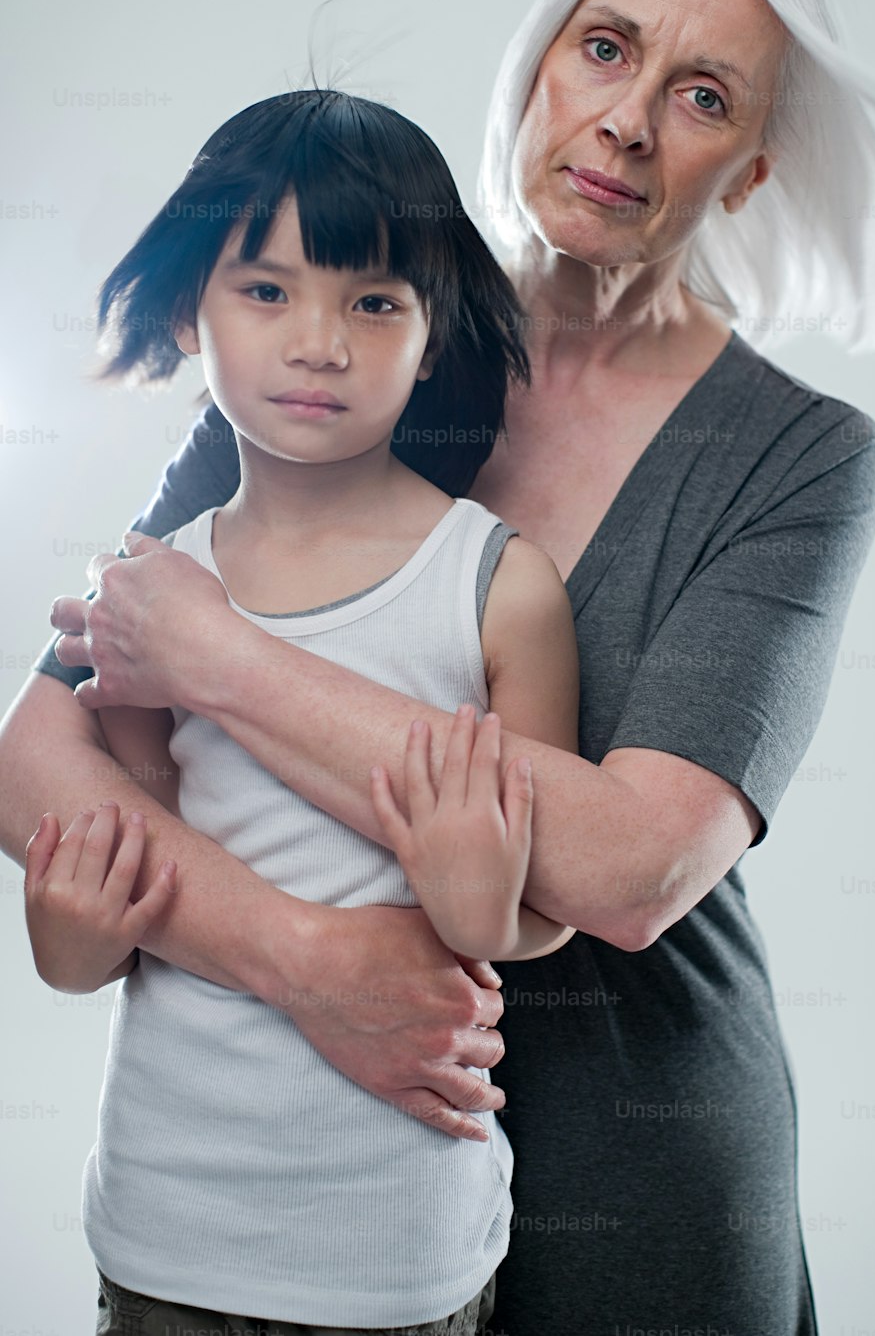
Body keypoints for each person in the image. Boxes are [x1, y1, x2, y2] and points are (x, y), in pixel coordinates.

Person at [1, 0, 875, 1334]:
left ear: (745, 172)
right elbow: (43, 750)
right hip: (308, 1190)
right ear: (538, 62)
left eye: (702, 97)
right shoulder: (347, 333)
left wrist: (224, 663)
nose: (624, 122)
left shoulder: (804, 457)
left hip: (643, 1163)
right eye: (604, 51)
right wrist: (306, 963)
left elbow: (626, 869)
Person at [18, 89, 582, 1332]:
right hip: (167, 1235)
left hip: (402, 1248)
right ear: (188, 308)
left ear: (432, 336)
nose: (318, 340)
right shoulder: (151, 591)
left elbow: (528, 925)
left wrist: (471, 884)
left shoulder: (499, 589)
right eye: (265, 290)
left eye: (373, 300)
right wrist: (64, 937)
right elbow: (124, 911)